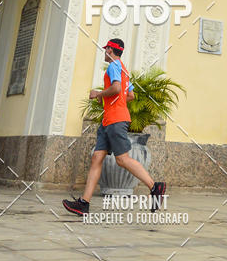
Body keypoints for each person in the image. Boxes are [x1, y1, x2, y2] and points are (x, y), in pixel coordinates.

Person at [63, 38, 166, 216]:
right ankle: (84, 204)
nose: (104, 52)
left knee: (122, 159)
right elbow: (131, 95)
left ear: (110, 50)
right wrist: (113, 104)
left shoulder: (113, 66)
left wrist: (98, 95)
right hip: (109, 119)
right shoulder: (123, 69)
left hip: (115, 120)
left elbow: (117, 89)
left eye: (106, 49)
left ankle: (154, 187)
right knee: (97, 157)